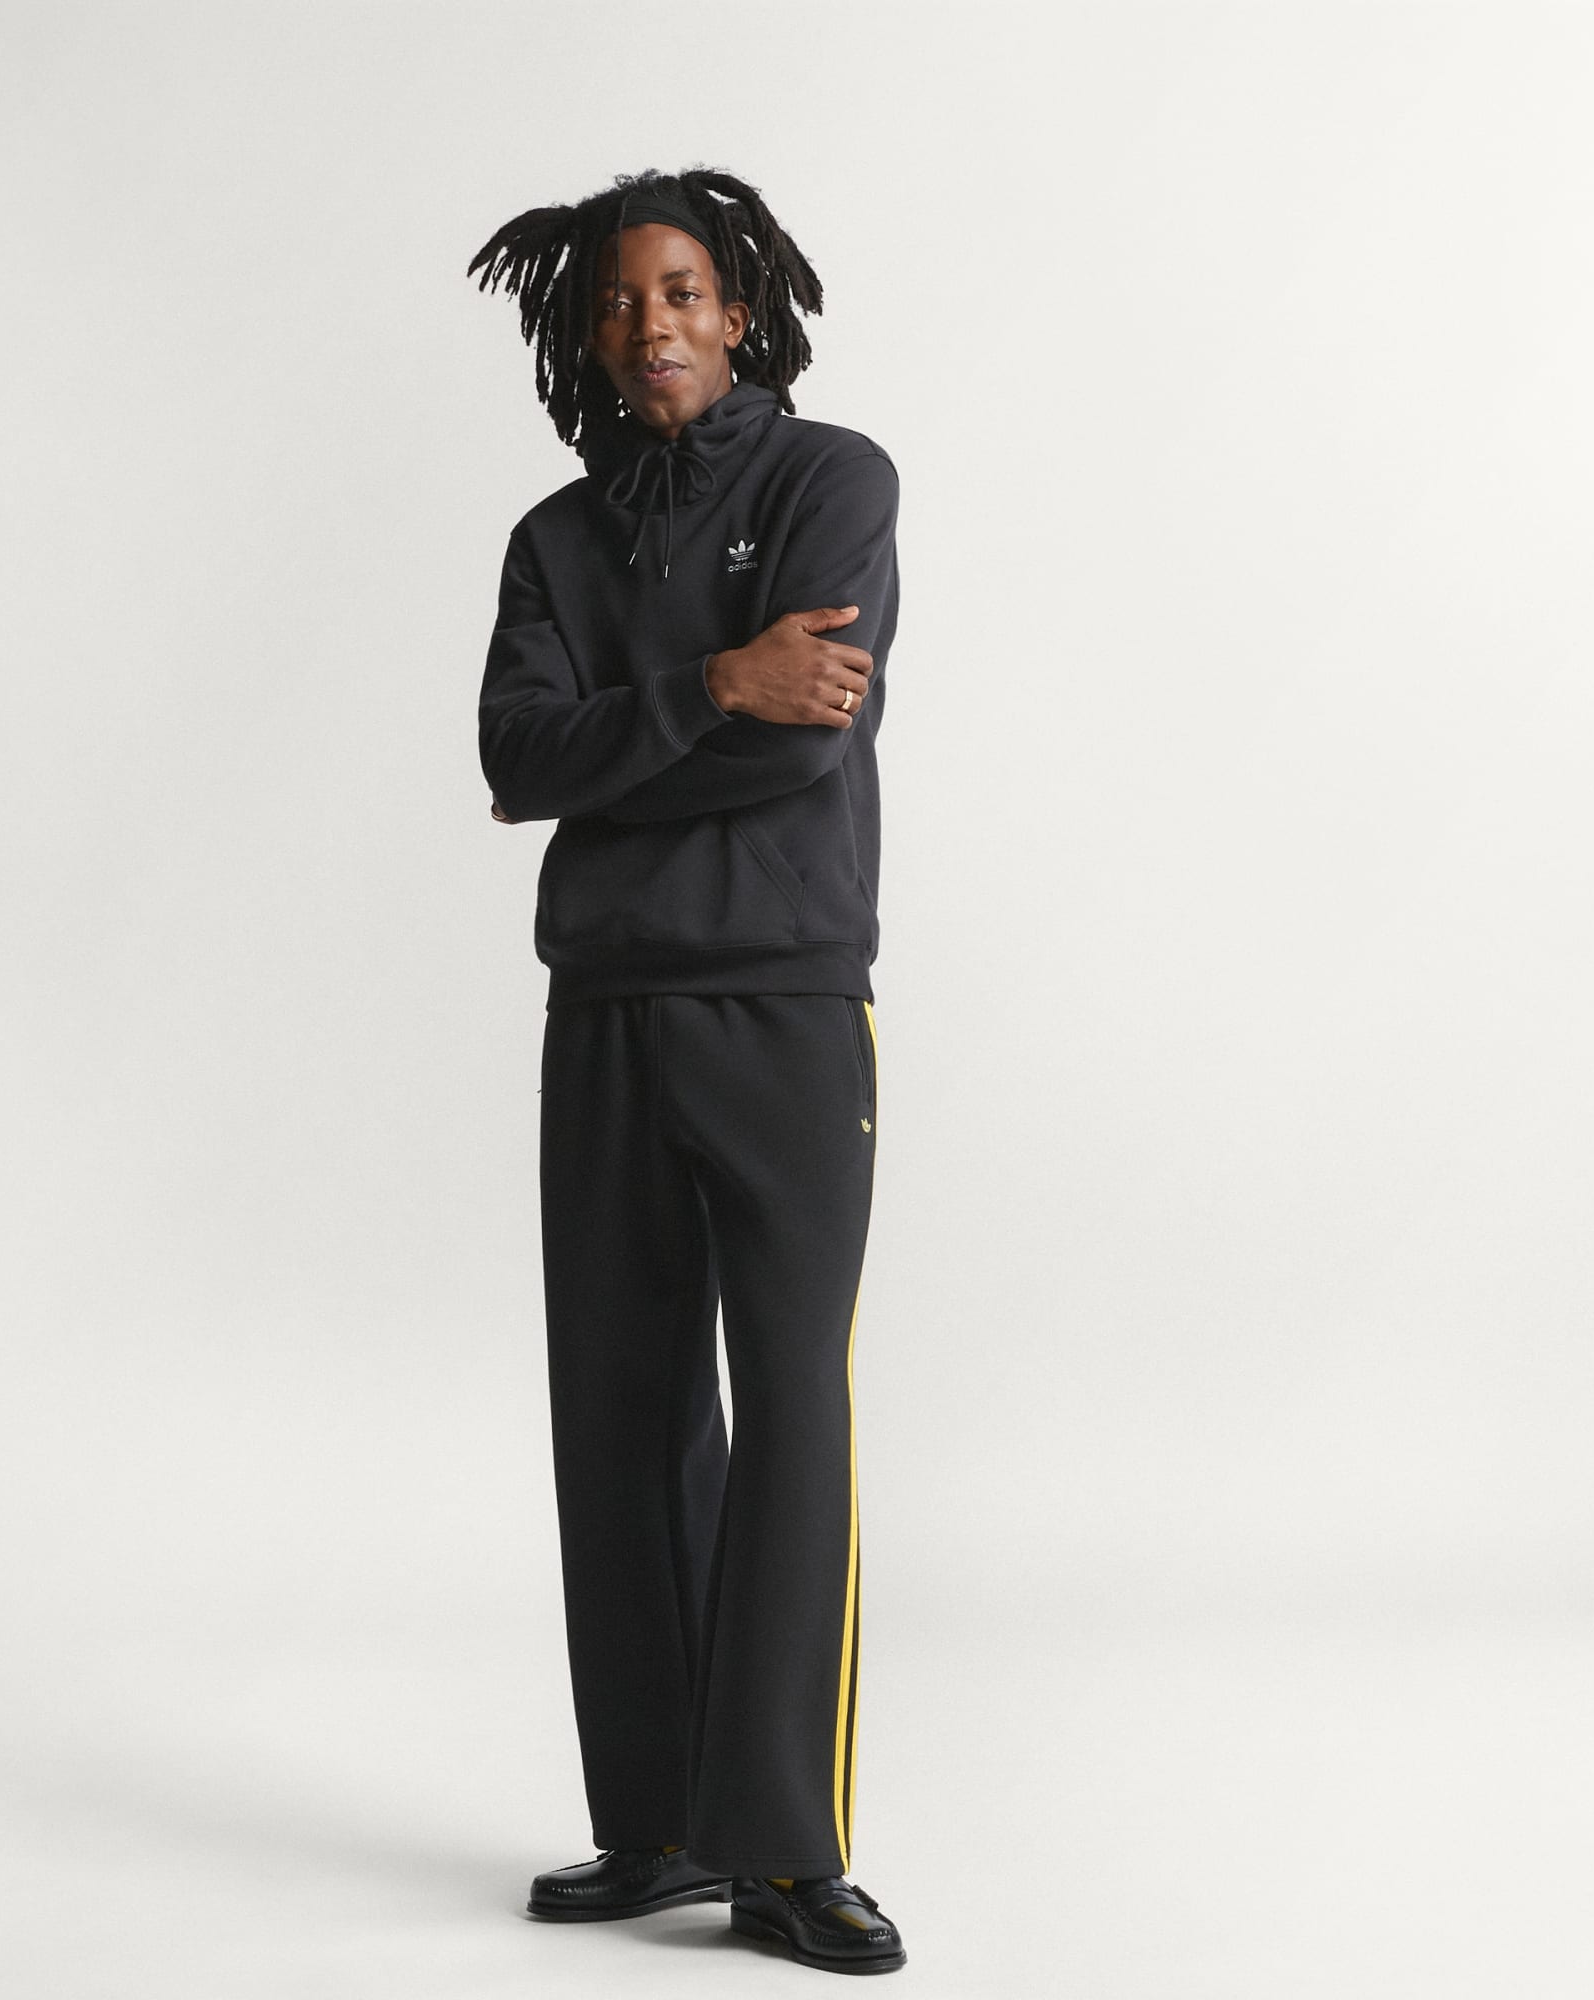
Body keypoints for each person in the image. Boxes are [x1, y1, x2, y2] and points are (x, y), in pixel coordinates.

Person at [467, 165, 906, 1978]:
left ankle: (786, 1856)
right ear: (589, 333)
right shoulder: (553, 542)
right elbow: (515, 760)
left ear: (738, 310)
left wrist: (643, 734)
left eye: (680, 289)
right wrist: (720, 685)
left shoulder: (831, 484)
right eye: (617, 299)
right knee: (624, 1409)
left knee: (792, 1408)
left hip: (786, 1005)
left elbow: (813, 743)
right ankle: (654, 1825)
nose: (648, 320)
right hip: (605, 1013)